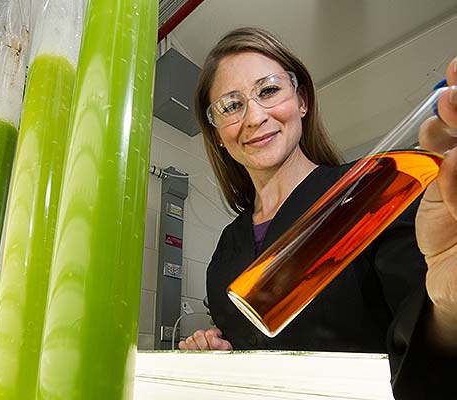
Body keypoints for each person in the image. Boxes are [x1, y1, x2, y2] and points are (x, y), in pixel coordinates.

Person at [177, 27, 457, 399]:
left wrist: (448, 308)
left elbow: (426, 341)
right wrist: (213, 354)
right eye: (231, 105)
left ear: (302, 101)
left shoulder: (372, 192)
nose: (254, 116)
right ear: (216, 134)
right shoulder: (224, 251)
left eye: (269, 90)